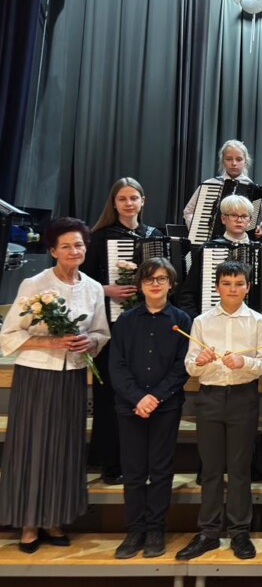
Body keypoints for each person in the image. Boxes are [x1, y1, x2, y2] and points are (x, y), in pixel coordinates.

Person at [0, 218, 110, 553]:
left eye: (78, 245)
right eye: (66, 246)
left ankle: (54, 520)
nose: (74, 251)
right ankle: (28, 524)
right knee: (31, 448)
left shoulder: (93, 287)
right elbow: (8, 335)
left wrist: (90, 341)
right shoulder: (34, 284)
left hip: (72, 376)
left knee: (65, 449)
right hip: (36, 375)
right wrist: (50, 343)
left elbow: (101, 333)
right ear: (52, 251)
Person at [176, 260, 262, 562]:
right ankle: (208, 532)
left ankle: (239, 531)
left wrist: (245, 362)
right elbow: (190, 366)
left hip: (244, 398)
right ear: (217, 287)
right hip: (210, 398)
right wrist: (200, 361)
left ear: (248, 287)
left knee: (240, 469)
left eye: (239, 284)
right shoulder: (202, 321)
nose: (233, 289)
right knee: (211, 469)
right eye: (227, 284)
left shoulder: (257, 321)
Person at [82, 177, 166, 485]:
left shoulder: (155, 236)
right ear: (114, 204)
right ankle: (110, 463)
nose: (129, 203)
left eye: (134, 198)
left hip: (149, 326)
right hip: (112, 326)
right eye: (122, 199)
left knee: (145, 391)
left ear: (143, 201)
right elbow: (81, 280)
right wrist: (107, 290)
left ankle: (142, 463)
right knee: (110, 394)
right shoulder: (99, 237)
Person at [108, 258, 191, 560]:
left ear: (171, 284)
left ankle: (156, 529)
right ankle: (134, 531)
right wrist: (138, 398)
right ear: (140, 285)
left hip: (166, 407)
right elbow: (116, 366)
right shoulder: (125, 320)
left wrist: (155, 397)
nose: (155, 284)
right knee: (133, 471)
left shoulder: (182, 320)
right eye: (149, 279)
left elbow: (182, 367)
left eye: (161, 279)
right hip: (130, 407)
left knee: (160, 470)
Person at [182, 139, 262, 235]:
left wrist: (260, 227)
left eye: (239, 159)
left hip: (243, 241)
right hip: (211, 239)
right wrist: (198, 229)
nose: (234, 163)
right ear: (222, 161)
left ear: (245, 162)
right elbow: (189, 211)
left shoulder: (254, 190)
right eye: (229, 159)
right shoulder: (210, 184)